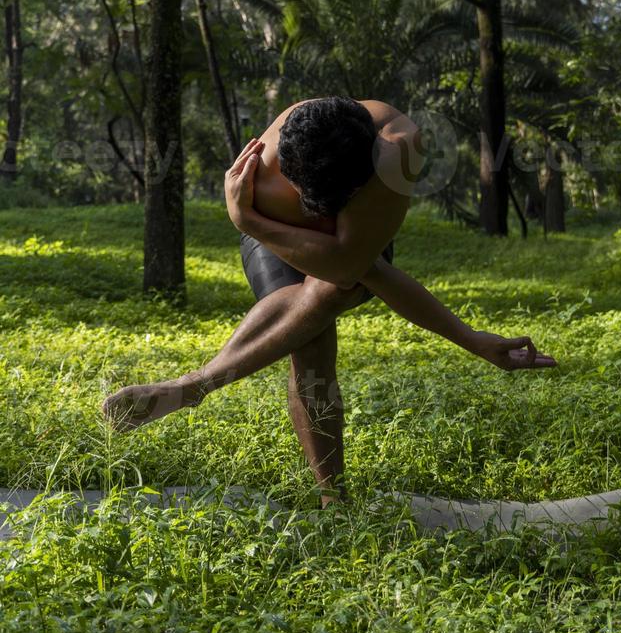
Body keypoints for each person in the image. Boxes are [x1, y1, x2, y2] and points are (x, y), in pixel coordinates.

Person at [103, 97, 556, 507]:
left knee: (330, 287)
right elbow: (350, 268)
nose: (314, 210)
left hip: (341, 243)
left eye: (328, 202)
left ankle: (195, 386)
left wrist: (471, 339)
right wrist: (251, 220)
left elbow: (359, 268)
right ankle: (331, 500)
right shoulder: (262, 170)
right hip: (273, 229)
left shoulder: (397, 150)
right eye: (305, 195)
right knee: (312, 343)